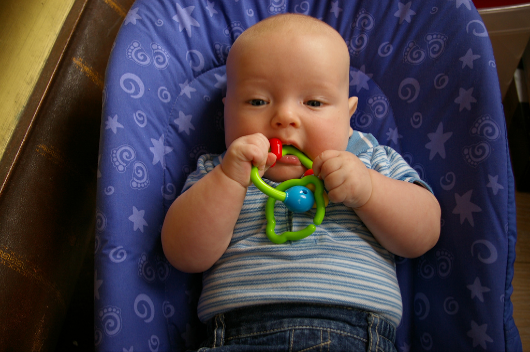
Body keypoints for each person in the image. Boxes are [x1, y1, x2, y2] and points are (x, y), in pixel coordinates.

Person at [162, 13, 441, 351]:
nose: (285, 118)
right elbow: (182, 254)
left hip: (357, 334)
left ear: (347, 114)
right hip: (238, 333)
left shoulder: (370, 159)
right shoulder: (219, 170)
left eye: (313, 102)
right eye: (257, 101)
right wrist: (227, 181)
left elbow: (424, 233)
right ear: (227, 111)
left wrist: (368, 190)